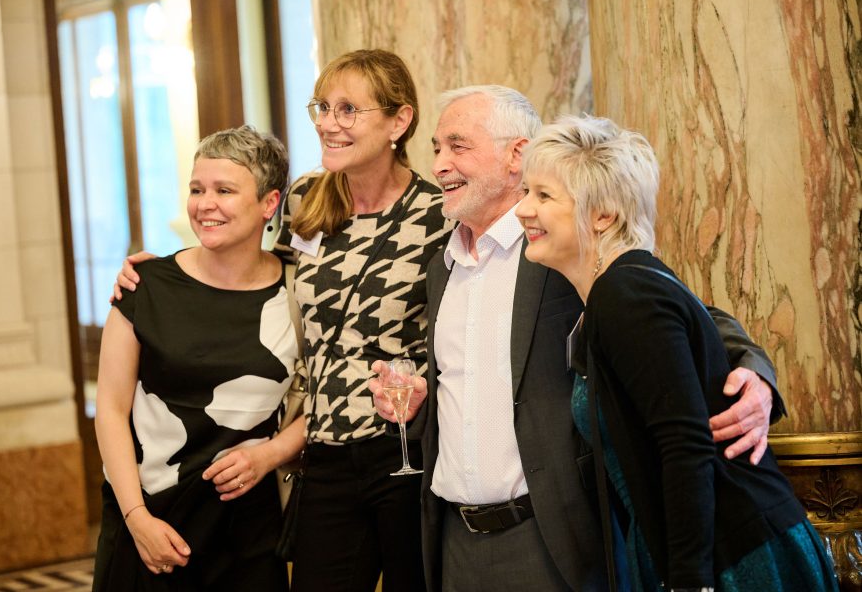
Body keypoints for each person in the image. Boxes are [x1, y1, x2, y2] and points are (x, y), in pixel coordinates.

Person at [371, 85, 784, 592]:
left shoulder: (562, 245)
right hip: (455, 542)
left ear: (517, 155)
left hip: (552, 539)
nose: (439, 165)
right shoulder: (442, 267)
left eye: (458, 146)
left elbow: (680, 311)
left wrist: (756, 374)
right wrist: (422, 404)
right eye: (436, 148)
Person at [114, 49, 454, 592]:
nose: (327, 123)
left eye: (348, 109)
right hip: (321, 454)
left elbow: (458, 333)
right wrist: (167, 273)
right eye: (322, 107)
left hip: (402, 450)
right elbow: (260, 275)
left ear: (399, 121)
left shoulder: (437, 215)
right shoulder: (307, 200)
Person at [513, 114, 837, 591]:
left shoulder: (626, 293)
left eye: (543, 196)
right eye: (526, 192)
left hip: (730, 554)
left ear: (603, 215)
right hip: (703, 547)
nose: (522, 209)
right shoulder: (624, 286)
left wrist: (690, 582)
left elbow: (684, 444)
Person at [93, 125, 303, 591]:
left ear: (269, 203)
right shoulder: (145, 286)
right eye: (196, 189)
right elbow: (110, 409)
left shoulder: (299, 290)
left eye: (224, 190)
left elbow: (328, 401)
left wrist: (270, 455)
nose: (205, 204)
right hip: (149, 516)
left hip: (248, 529)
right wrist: (136, 518)